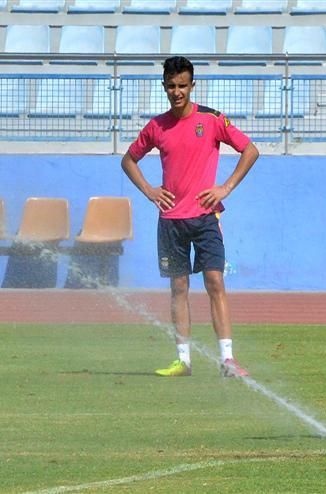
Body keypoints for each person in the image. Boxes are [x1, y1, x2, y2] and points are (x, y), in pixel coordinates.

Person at [121, 56, 259, 378]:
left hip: (206, 217)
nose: (177, 92)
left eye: (183, 85)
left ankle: (227, 359)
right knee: (178, 288)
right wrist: (150, 191)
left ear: (192, 86)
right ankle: (183, 360)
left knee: (215, 282)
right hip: (170, 221)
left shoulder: (211, 120)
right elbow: (128, 160)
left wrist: (225, 187)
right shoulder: (157, 126)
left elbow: (250, 150)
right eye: (171, 86)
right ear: (164, 86)